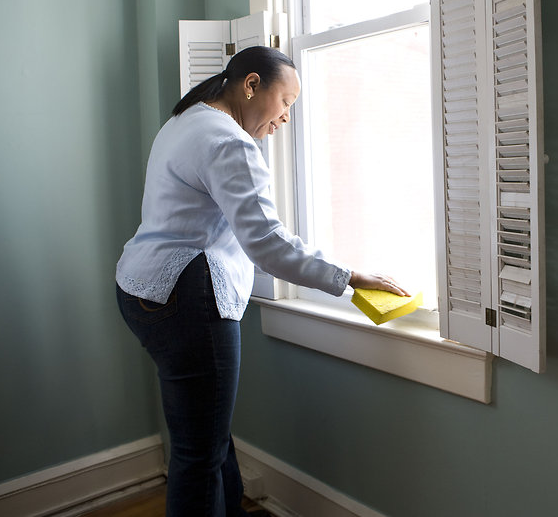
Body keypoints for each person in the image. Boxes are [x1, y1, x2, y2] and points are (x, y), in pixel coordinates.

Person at [115, 45, 408, 517]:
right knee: (199, 455)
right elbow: (269, 245)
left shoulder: (184, 120)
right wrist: (350, 276)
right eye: (286, 102)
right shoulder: (228, 141)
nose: (286, 117)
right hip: (184, 302)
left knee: (207, 435)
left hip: (141, 290)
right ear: (251, 85)